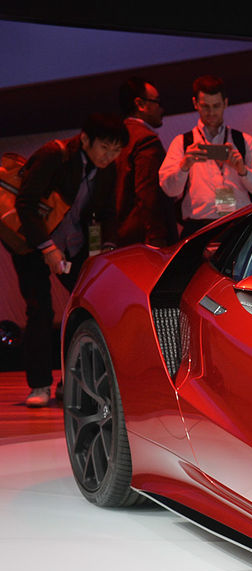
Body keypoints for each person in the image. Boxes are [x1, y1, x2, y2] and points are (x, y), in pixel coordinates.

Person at [4, 114, 125, 407]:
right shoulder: (53, 156)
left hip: (74, 245)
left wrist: (106, 247)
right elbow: (25, 204)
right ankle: (40, 385)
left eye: (116, 150)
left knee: (88, 307)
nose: (109, 156)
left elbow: (107, 212)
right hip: (33, 245)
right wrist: (47, 248)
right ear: (85, 140)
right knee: (40, 310)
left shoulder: (108, 169)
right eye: (104, 147)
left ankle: (72, 381)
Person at [159, 75, 252, 236]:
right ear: (195, 104)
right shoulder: (182, 142)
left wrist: (243, 171)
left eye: (216, 106)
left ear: (225, 103)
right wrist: (184, 166)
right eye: (205, 106)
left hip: (239, 223)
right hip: (198, 228)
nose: (211, 112)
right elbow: (169, 190)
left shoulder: (243, 140)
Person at [116, 76, 177, 247]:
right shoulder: (145, 141)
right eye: (157, 101)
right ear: (140, 104)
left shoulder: (117, 138)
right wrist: (156, 236)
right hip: (144, 239)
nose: (162, 109)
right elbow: (148, 194)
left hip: (119, 236)